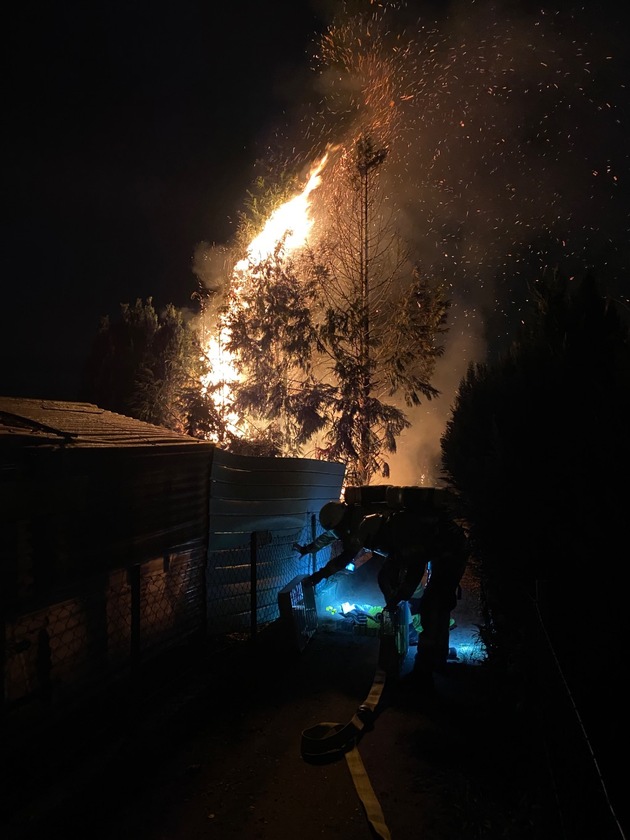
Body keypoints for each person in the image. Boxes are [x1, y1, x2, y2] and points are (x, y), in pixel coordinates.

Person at [294, 491, 469, 677]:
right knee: (394, 582)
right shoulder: (375, 531)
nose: (372, 549)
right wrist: (392, 603)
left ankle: (427, 665)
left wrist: (399, 597)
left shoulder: (395, 533)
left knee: (433, 603)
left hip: (451, 550)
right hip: (429, 546)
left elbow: (415, 571)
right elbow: (386, 572)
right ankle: (432, 656)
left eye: (373, 545)